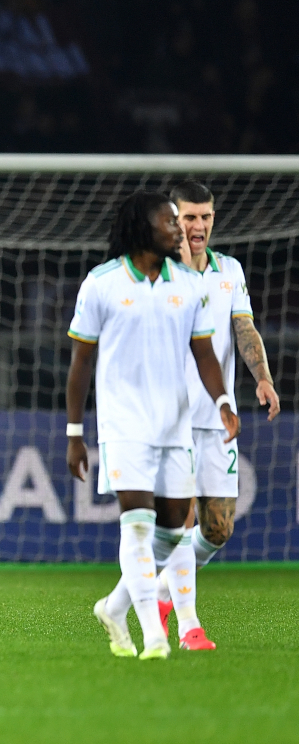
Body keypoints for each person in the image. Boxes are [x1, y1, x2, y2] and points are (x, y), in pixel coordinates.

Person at [65, 191, 238, 661]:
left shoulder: (188, 285)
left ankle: (114, 607)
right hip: (123, 426)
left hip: (175, 426)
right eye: (170, 222)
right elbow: (81, 362)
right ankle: (155, 636)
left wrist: (223, 400)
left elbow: (204, 352)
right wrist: (75, 433)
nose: (179, 229)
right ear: (145, 228)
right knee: (137, 527)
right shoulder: (101, 284)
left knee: (171, 532)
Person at [150, 181, 281, 644]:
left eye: (205, 217)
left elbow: (243, 328)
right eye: (190, 217)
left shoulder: (229, 271)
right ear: (173, 218)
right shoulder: (158, 273)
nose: (199, 226)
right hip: (171, 418)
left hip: (217, 417)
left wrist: (262, 377)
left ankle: (162, 591)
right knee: (182, 520)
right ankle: (189, 627)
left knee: (219, 528)